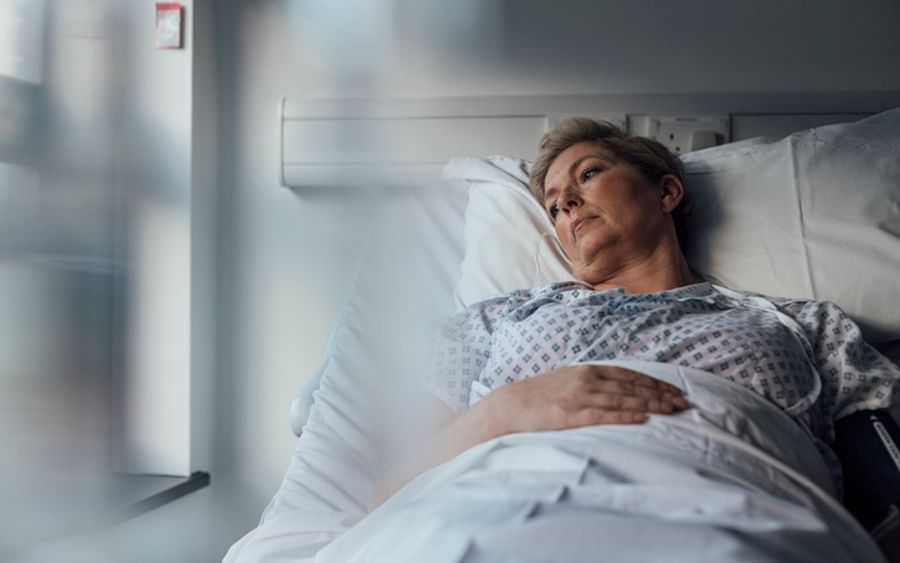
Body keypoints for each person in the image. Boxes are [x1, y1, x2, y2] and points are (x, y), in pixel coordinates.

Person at [368, 118, 900, 529]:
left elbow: (887, 481)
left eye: (589, 174)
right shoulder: (493, 321)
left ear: (666, 192)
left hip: (742, 513)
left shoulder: (802, 323)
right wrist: (505, 410)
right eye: (552, 206)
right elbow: (389, 493)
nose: (567, 202)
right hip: (508, 516)